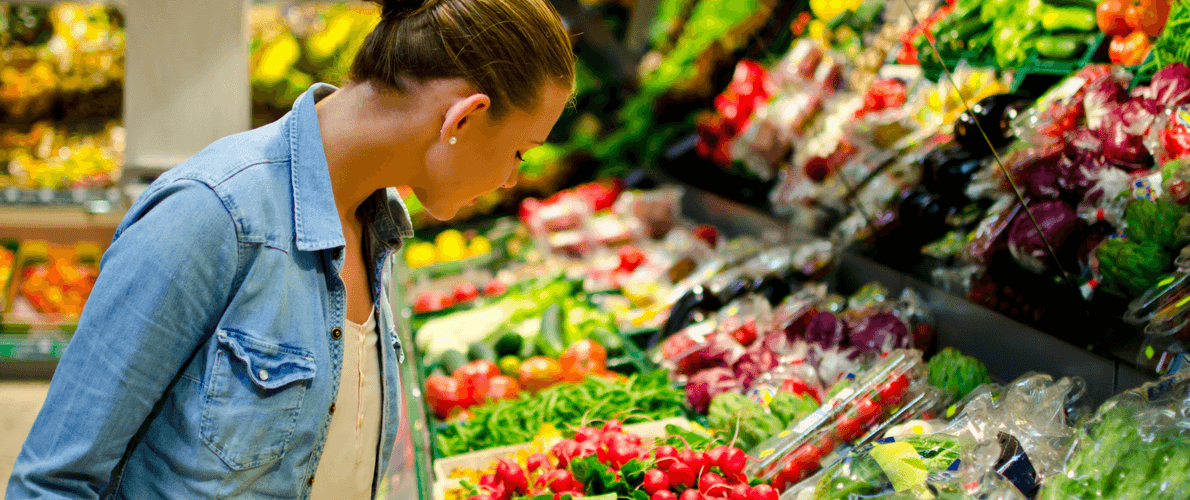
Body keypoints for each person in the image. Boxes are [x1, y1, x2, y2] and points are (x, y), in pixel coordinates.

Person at [6, 0, 574, 497]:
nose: (511, 179)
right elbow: (54, 482)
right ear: (464, 117)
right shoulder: (210, 216)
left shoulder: (377, 226)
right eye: (521, 151)